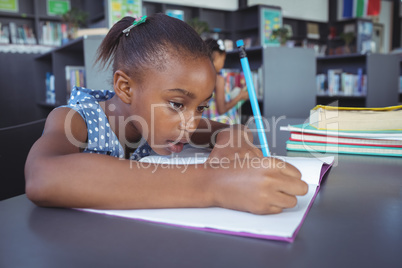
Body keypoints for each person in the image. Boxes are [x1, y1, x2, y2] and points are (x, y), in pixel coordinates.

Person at [25, 14, 307, 215]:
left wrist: (234, 142)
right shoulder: (74, 120)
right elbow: (42, 177)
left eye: (201, 106)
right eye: (176, 103)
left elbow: (228, 130)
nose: (192, 122)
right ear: (125, 87)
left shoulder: (166, 123)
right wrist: (213, 183)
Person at [203, 38, 249, 124]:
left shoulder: (203, 78)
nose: (223, 64)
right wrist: (240, 97)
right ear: (216, 57)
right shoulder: (218, 79)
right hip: (220, 123)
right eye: (223, 60)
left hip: (208, 122)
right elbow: (221, 109)